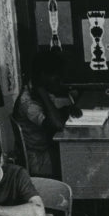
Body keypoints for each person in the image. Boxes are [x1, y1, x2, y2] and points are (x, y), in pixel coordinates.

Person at [12, 50, 82, 178]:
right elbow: (57, 125)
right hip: (41, 160)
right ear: (43, 75)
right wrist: (43, 94)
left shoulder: (37, 88)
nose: (60, 82)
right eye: (56, 77)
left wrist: (66, 109)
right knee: (83, 157)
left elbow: (50, 119)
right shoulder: (27, 103)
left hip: (48, 150)